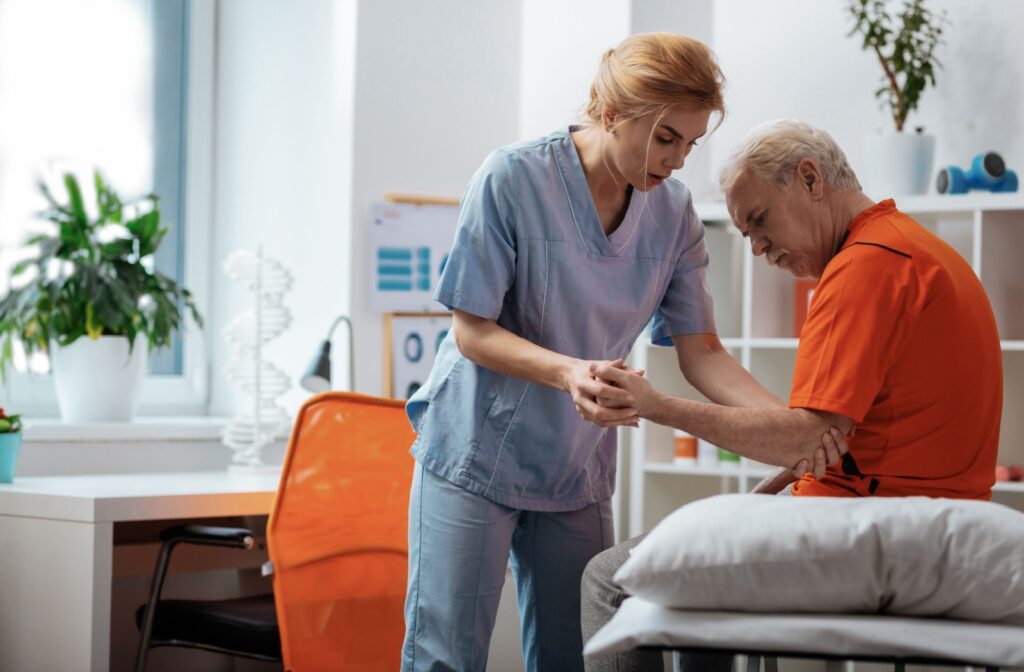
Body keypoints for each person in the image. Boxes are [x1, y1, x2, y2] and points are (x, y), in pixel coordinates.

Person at [401, 36, 839, 672]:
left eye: (689, 143)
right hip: (472, 451)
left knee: (577, 656)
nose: (679, 160)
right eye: (666, 139)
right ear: (610, 112)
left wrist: (792, 430)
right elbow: (471, 331)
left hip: (573, 467)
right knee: (446, 658)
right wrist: (568, 370)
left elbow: (704, 353)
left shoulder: (675, 213)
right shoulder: (512, 178)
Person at [580, 119, 1003, 672]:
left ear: (810, 179)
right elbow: (830, 438)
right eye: (747, 235)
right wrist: (792, 465)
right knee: (703, 565)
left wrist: (655, 405)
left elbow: (806, 436)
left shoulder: (865, 267)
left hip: (876, 522)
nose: (758, 249)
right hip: (929, 511)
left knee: (610, 580)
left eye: (759, 221)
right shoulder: (917, 248)